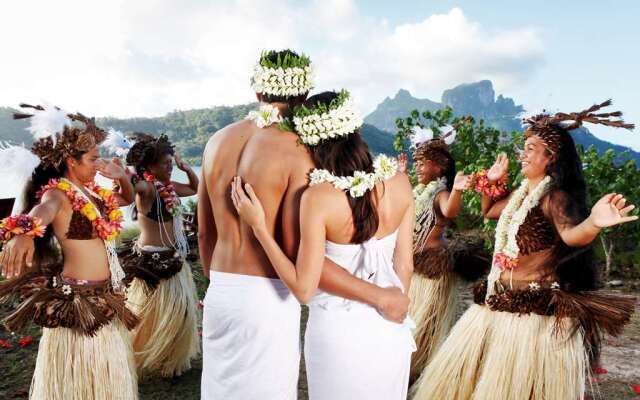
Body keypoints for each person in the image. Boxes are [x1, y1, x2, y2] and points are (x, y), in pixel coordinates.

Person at [198, 50, 409, 400]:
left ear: (257, 94)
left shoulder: (215, 142)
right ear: (304, 98)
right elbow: (299, 253)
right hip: (269, 297)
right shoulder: (298, 152)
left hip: (220, 289)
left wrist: (222, 284)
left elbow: (205, 232)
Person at [412, 100, 637, 400]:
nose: (522, 153)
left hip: (531, 314)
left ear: (551, 157)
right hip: (496, 301)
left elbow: (572, 235)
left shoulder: (552, 197)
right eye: (524, 147)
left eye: (530, 148)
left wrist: (594, 222)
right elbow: (490, 211)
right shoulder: (521, 195)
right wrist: (493, 184)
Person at [0, 103, 139, 399]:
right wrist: (24, 232)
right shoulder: (58, 193)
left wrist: (121, 176)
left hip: (105, 296)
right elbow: (43, 210)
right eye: (92, 159)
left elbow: (127, 199)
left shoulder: (95, 195)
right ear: (71, 161)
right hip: (77, 302)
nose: (97, 164)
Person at [397, 127, 488, 385]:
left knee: (423, 329)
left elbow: (449, 210)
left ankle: (419, 373)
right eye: (416, 162)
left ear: (439, 167)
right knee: (409, 325)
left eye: (423, 163)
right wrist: (401, 177)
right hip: (414, 271)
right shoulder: (418, 192)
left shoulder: (440, 194)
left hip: (431, 274)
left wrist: (458, 190)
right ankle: (406, 371)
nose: (418, 167)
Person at [113, 132, 199, 378]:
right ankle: (148, 353)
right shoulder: (147, 189)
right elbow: (133, 187)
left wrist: (186, 167)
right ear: (149, 166)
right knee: (148, 315)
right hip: (151, 261)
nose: (170, 168)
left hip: (173, 258)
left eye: (171, 164)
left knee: (179, 315)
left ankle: (171, 359)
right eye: (166, 164)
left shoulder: (169, 188)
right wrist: (123, 176)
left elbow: (195, 188)